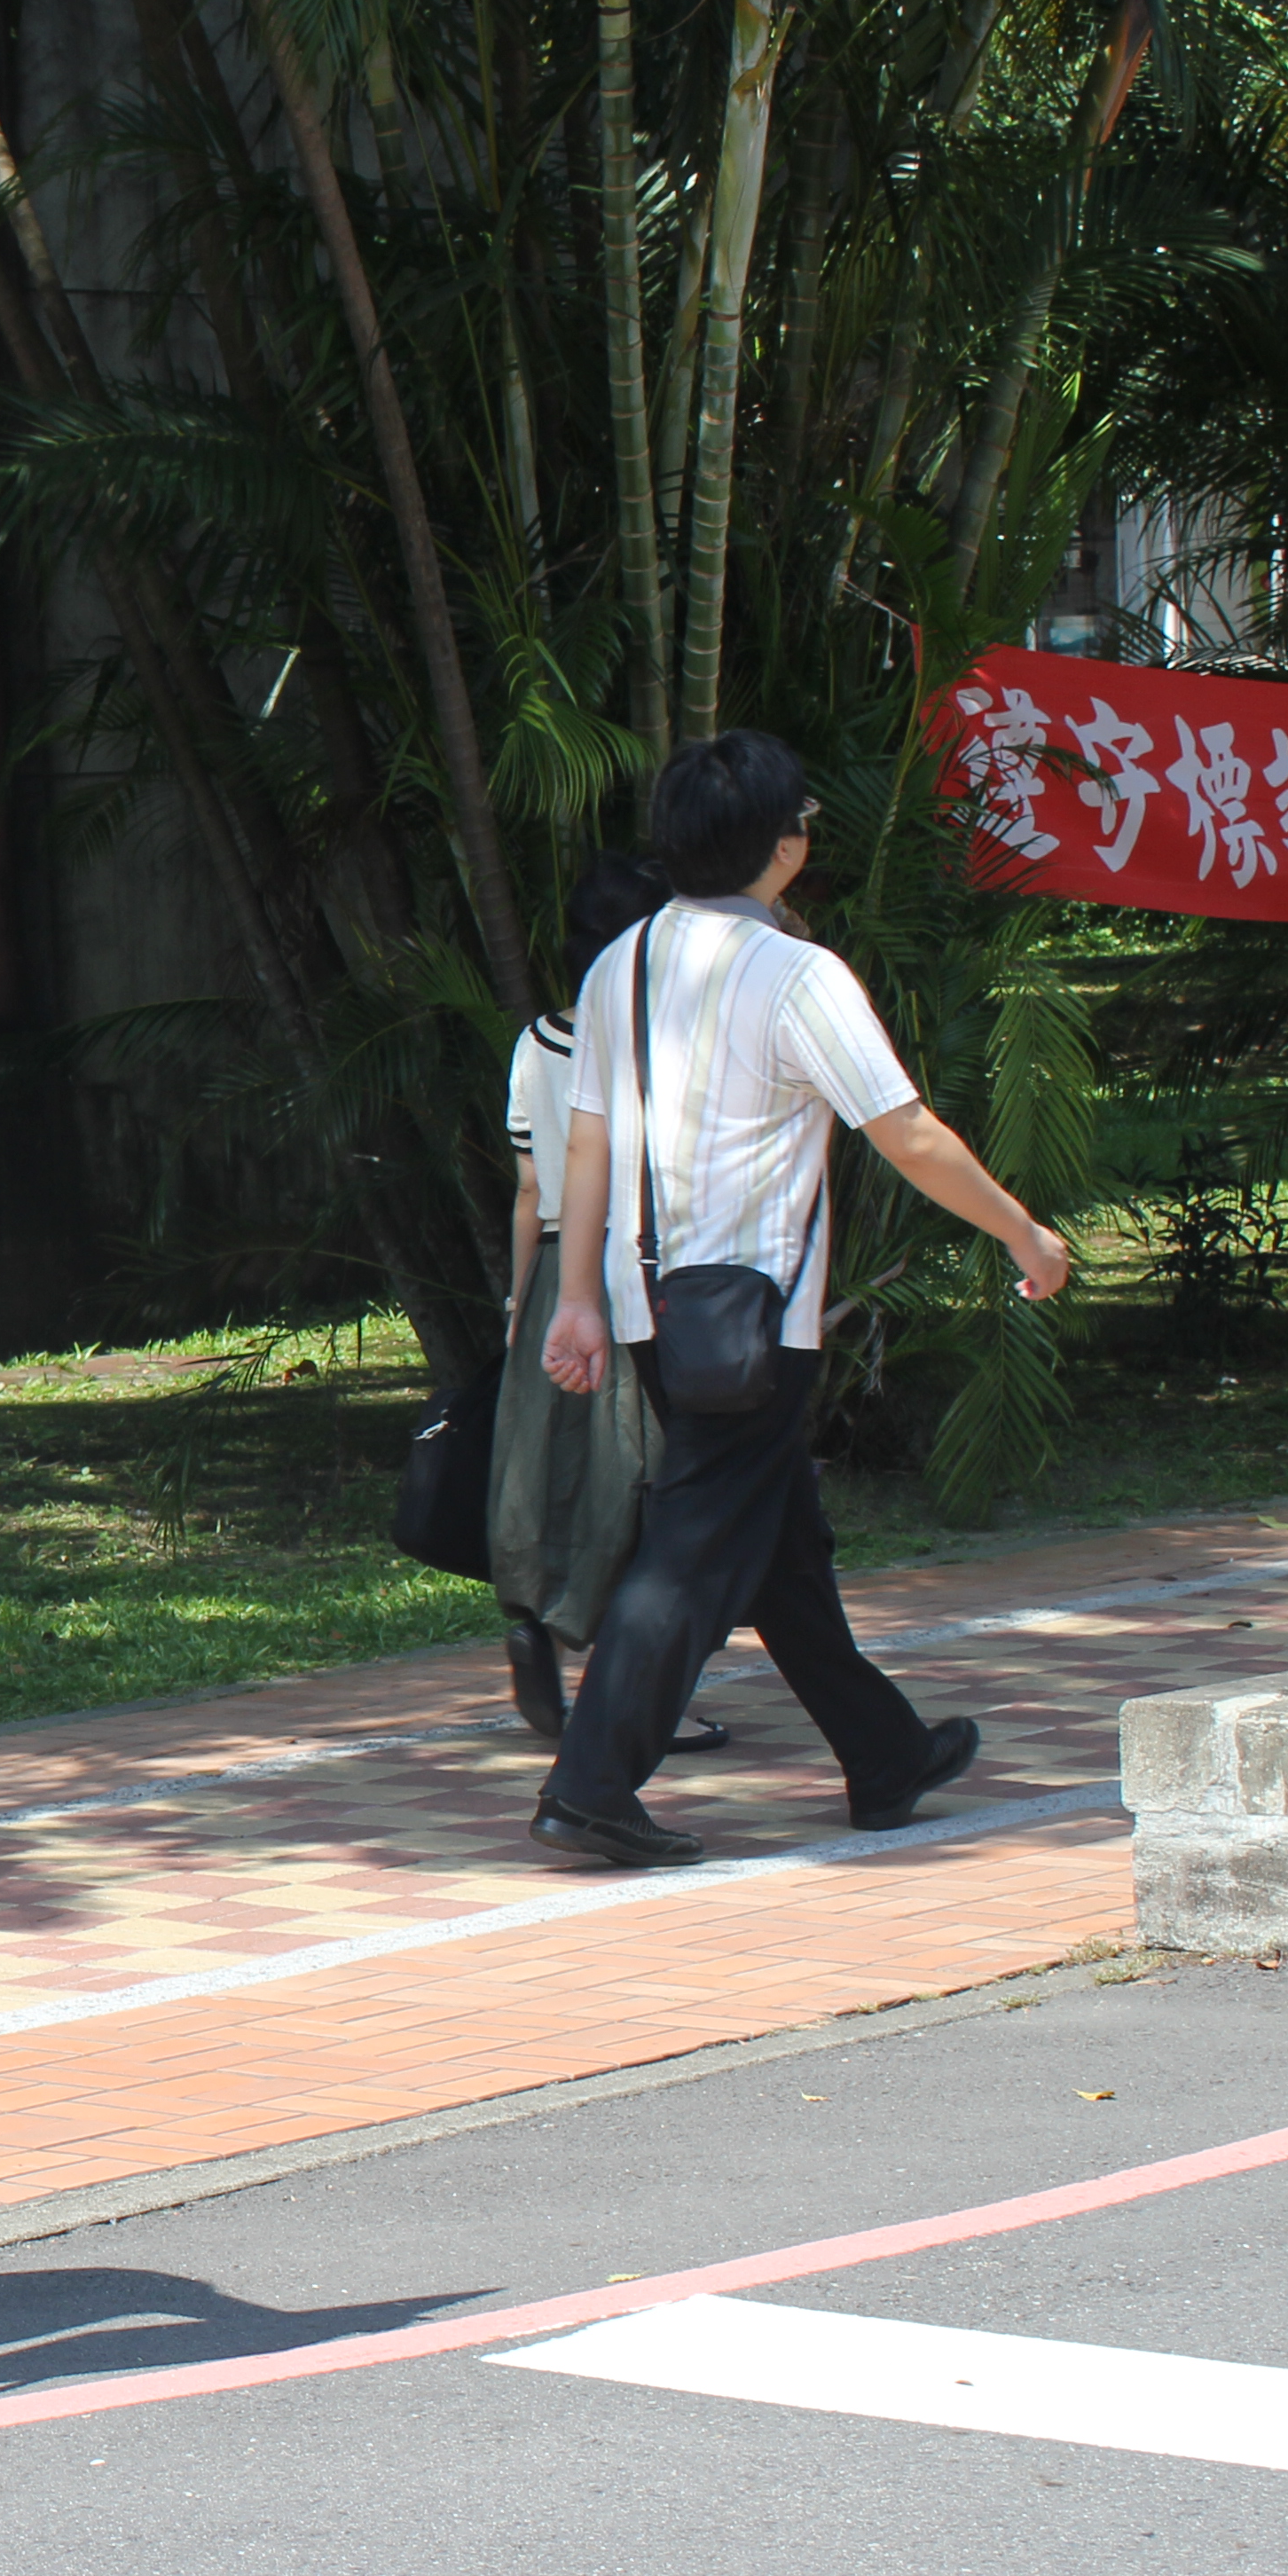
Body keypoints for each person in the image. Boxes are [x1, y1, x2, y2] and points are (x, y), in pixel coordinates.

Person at [532, 732, 1072, 1865]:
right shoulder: (796, 972)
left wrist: (576, 1297)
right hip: (752, 1318)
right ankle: (590, 1783)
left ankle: (885, 1754)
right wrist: (1021, 1229)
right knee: (689, 1553)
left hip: (649, 1312)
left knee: (778, 1543)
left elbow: (583, 1150)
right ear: (782, 851)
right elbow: (907, 1132)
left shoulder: (618, 963)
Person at [488, 855, 718, 1760]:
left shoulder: (538, 1041)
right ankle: (641, 1693)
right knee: (647, 1477)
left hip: (551, 1269)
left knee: (545, 1472)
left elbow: (527, 1189)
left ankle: (534, 1625)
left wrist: (520, 1302)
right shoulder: (659, 1045)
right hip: (635, 1270)